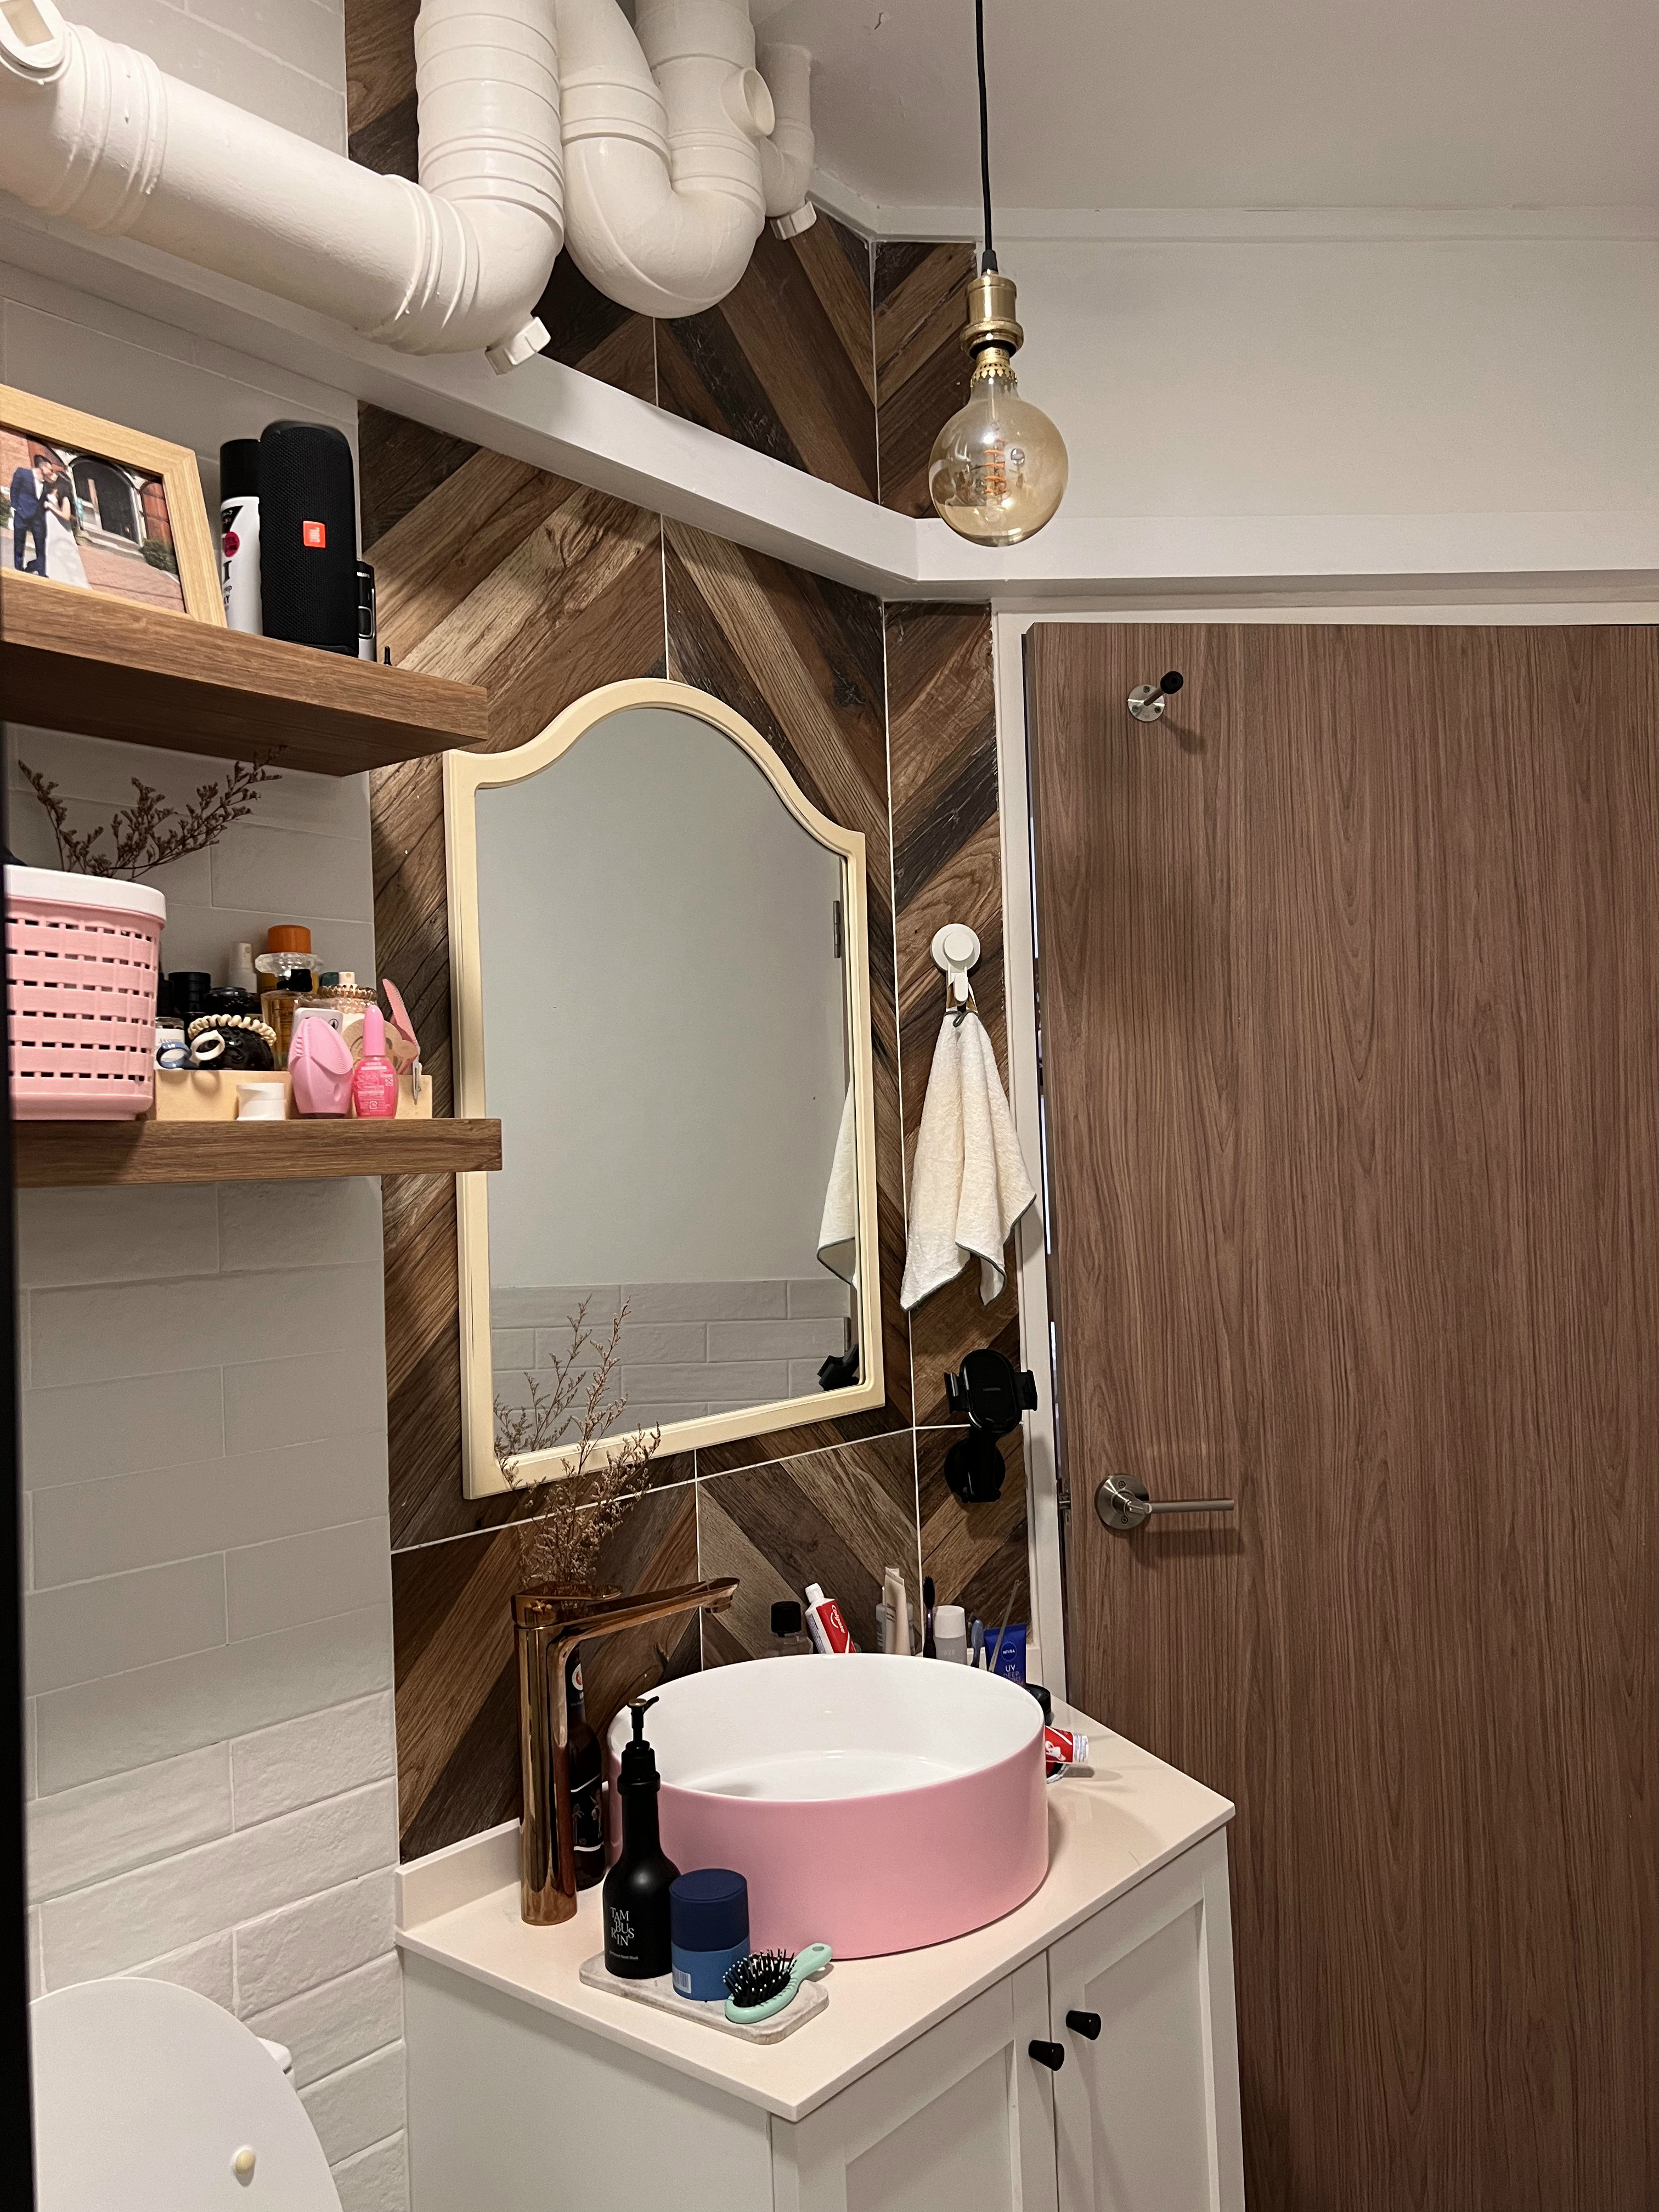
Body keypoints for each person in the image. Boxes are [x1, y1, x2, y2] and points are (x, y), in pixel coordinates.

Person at [41, 467, 87, 587]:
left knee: (64, 553)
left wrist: (50, 507)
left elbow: (66, 516)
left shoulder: (65, 497)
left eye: (55, 476)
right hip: (51, 526)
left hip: (61, 529)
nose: (52, 476)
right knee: (51, 551)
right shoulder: (51, 491)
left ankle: (69, 582)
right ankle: (54, 577)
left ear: (61, 481)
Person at [10, 454, 46, 574]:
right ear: (42, 466)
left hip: (37, 519)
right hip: (22, 514)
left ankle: (41, 571)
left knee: (41, 546)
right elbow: (14, 490)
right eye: (49, 468)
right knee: (19, 543)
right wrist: (16, 507)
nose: (51, 472)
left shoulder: (46, 481)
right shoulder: (23, 473)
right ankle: (18, 569)